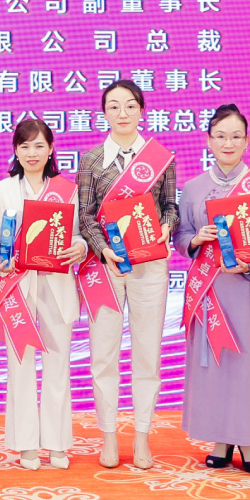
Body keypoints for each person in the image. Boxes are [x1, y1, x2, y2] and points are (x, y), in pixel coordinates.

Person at [174, 105, 250, 474]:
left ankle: (249, 441)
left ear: (247, 141)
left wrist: (249, 265)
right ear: (208, 140)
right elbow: (181, 236)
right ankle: (220, 439)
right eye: (220, 136)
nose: (228, 142)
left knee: (249, 364)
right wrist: (196, 240)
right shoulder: (193, 188)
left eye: (236, 136)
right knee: (216, 364)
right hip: (211, 288)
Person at [74, 78, 177, 471]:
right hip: (106, 268)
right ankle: (109, 436)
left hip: (150, 266)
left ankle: (142, 436)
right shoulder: (91, 160)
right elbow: (85, 215)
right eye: (114, 106)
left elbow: (170, 205)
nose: (122, 113)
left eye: (130, 105)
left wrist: (166, 226)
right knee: (103, 354)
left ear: (141, 110)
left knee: (148, 353)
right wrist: (104, 250)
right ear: (104, 113)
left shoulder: (160, 158)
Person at [0, 118, 87, 470]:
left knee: (58, 366)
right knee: (21, 366)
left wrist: (79, 248)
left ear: (51, 149)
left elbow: (79, 235)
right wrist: (0, 259)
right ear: (15, 150)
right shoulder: (0, 191)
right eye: (25, 146)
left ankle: (57, 444)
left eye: (39, 145)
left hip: (57, 285)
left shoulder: (68, 190)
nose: (32, 153)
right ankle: (26, 444)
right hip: (18, 286)